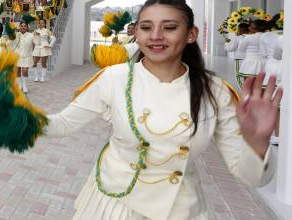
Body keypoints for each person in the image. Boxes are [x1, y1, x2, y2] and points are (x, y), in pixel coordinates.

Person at [41, 1, 282, 219]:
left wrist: (257, 143)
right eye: (146, 27)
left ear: (191, 34)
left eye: (169, 27)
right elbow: (62, 124)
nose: (156, 36)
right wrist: (14, 115)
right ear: (136, 33)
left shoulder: (215, 91)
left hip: (180, 209)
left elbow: (252, 177)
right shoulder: (114, 78)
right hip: (116, 205)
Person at [260, 13, 283, 85]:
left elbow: (263, 54)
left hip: (271, 66)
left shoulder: (265, 35)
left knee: (270, 90)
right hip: (287, 67)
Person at [15, 22, 34, 93]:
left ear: (27, 27)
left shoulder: (31, 35)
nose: (23, 27)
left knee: (25, 70)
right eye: (21, 26)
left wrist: (37, 36)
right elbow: (11, 43)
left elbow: (37, 43)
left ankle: (25, 85)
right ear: (19, 27)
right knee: (18, 71)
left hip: (27, 55)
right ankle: (20, 85)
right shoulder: (16, 35)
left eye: (25, 26)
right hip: (17, 55)